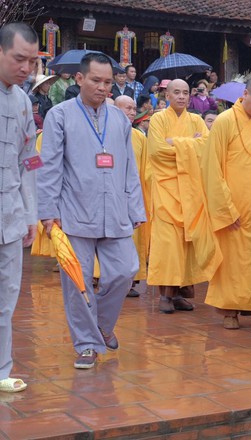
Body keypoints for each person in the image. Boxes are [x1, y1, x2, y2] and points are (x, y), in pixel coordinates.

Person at [39, 53, 146, 369]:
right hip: (73, 213)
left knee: (126, 270)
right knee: (77, 282)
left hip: (114, 211)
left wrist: (135, 207)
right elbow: (49, 168)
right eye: (96, 80)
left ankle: (99, 326)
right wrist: (48, 212)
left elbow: (129, 167)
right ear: (79, 79)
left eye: (108, 82)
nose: (102, 87)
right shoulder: (59, 116)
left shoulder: (118, 119)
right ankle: (86, 344)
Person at [202, 75, 251, 329]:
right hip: (233, 207)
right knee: (232, 261)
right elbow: (212, 167)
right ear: (245, 94)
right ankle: (229, 311)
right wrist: (225, 208)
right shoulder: (224, 121)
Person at [147, 79, 220, 313]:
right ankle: (165, 295)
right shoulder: (158, 119)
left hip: (190, 189)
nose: (181, 96)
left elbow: (206, 149)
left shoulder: (196, 120)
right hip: (166, 188)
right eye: (176, 92)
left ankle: (180, 293)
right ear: (167, 95)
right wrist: (191, 143)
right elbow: (158, 152)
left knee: (187, 243)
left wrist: (175, 143)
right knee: (168, 244)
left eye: (185, 93)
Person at [0, 22, 39, 393]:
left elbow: (30, 160)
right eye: (19, 59)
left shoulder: (24, 101)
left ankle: (1, 371)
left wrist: (31, 214)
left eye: (32, 61)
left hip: (10, 214)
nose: (26, 68)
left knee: (6, 296)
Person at [114, 96, 151, 298]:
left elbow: (146, 169)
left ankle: (130, 280)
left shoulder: (139, 137)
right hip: (111, 196)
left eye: (133, 108)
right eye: (126, 108)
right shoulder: (105, 133)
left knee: (132, 240)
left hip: (132, 197)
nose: (131, 112)